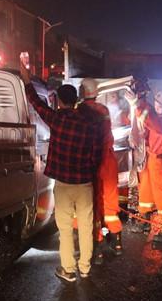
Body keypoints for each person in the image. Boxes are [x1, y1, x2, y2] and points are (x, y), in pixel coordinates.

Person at [20, 64, 102, 282]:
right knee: (85, 228)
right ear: (75, 100)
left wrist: (27, 81)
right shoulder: (89, 124)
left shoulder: (58, 119)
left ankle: (69, 269)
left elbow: (36, 104)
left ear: (60, 101)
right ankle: (85, 267)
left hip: (64, 185)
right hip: (85, 185)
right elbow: (96, 156)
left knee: (65, 230)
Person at [79, 78, 123, 263]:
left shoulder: (80, 111)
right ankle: (117, 242)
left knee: (92, 204)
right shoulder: (103, 110)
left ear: (82, 91)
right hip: (108, 161)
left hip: (91, 161)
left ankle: (95, 247)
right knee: (110, 202)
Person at [126, 90, 162, 242]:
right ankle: (144, 219)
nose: (158, 106)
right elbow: (151, 128)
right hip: (151, 157)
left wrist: (138, 107)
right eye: (156, 102)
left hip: (161, 160)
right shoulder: (158, 117)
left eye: (161, 103)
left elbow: (158, 127)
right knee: (145, 190)